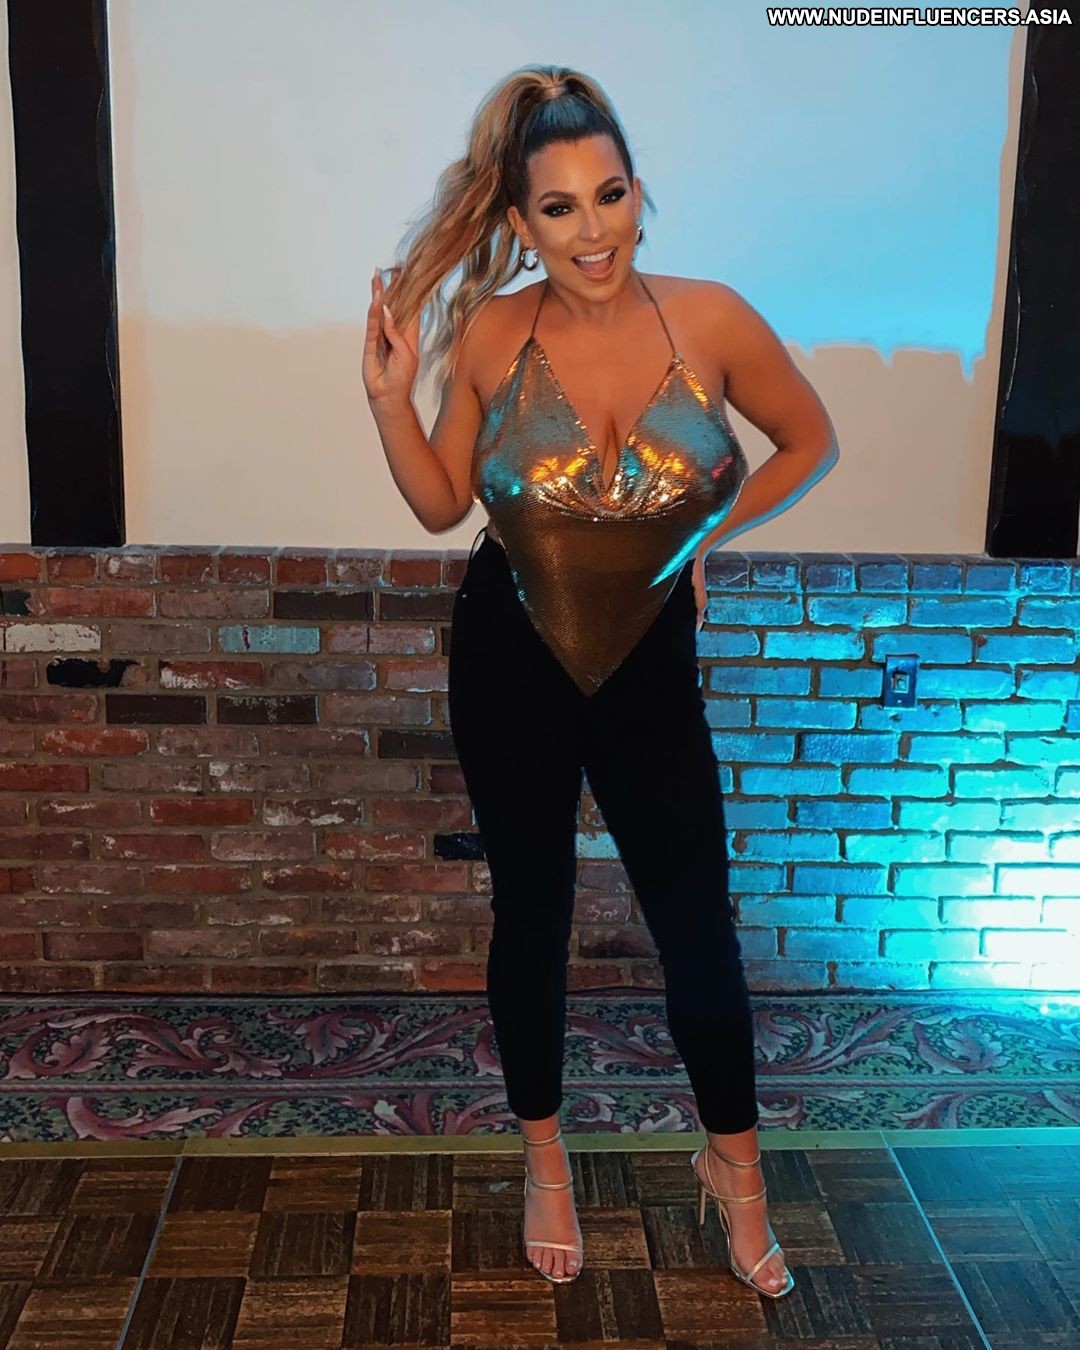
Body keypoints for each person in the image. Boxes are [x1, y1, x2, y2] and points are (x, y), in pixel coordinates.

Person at [363, 65, 838, 1298]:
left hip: (647, 667)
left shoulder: (713, 319)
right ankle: (545, 1159)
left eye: (610, 194)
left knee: (698, 931)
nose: (594, 231)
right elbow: (438, 504)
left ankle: (736, 1171)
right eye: (560, 207)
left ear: (638, 192)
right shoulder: (493, 332)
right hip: (508, 653)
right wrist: (389, 402)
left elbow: (809, 440)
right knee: (534, 916)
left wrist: (704, 537)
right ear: (522, 223)